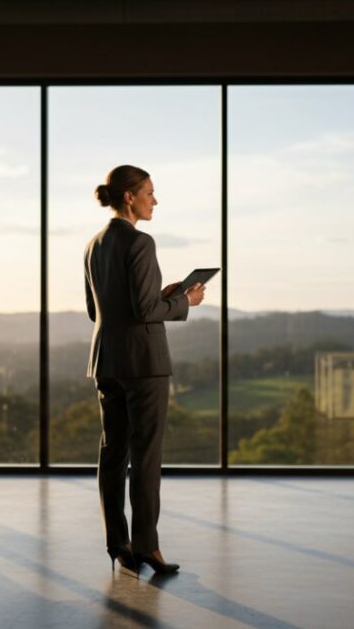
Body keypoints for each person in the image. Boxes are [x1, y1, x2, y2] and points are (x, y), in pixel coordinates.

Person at [83, 165, 205, 574]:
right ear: (130, 197)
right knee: (146, 456)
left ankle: (118, 544)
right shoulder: (141, 242)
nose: (155, 200)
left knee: (112, 453)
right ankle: (148, 548)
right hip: (144, 364)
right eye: (150, 193)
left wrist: (159, 295)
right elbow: (147, 310)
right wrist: (185, 301)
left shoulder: (93, 245)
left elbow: (94, 310)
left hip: (107, 361)